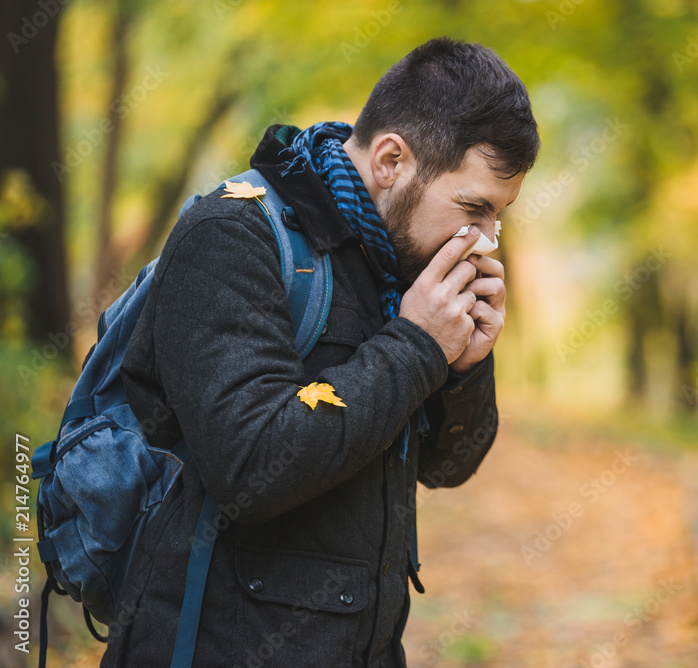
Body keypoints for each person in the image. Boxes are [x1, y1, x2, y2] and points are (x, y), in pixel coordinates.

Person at [103, 36, 539, 666]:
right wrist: (418, 344)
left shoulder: (399, 265)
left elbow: (445, 468)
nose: (486, 239)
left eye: (499, 215)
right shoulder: (232, 235)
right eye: (474, 208)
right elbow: (250, 468)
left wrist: (465, 366)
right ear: (391, 160)